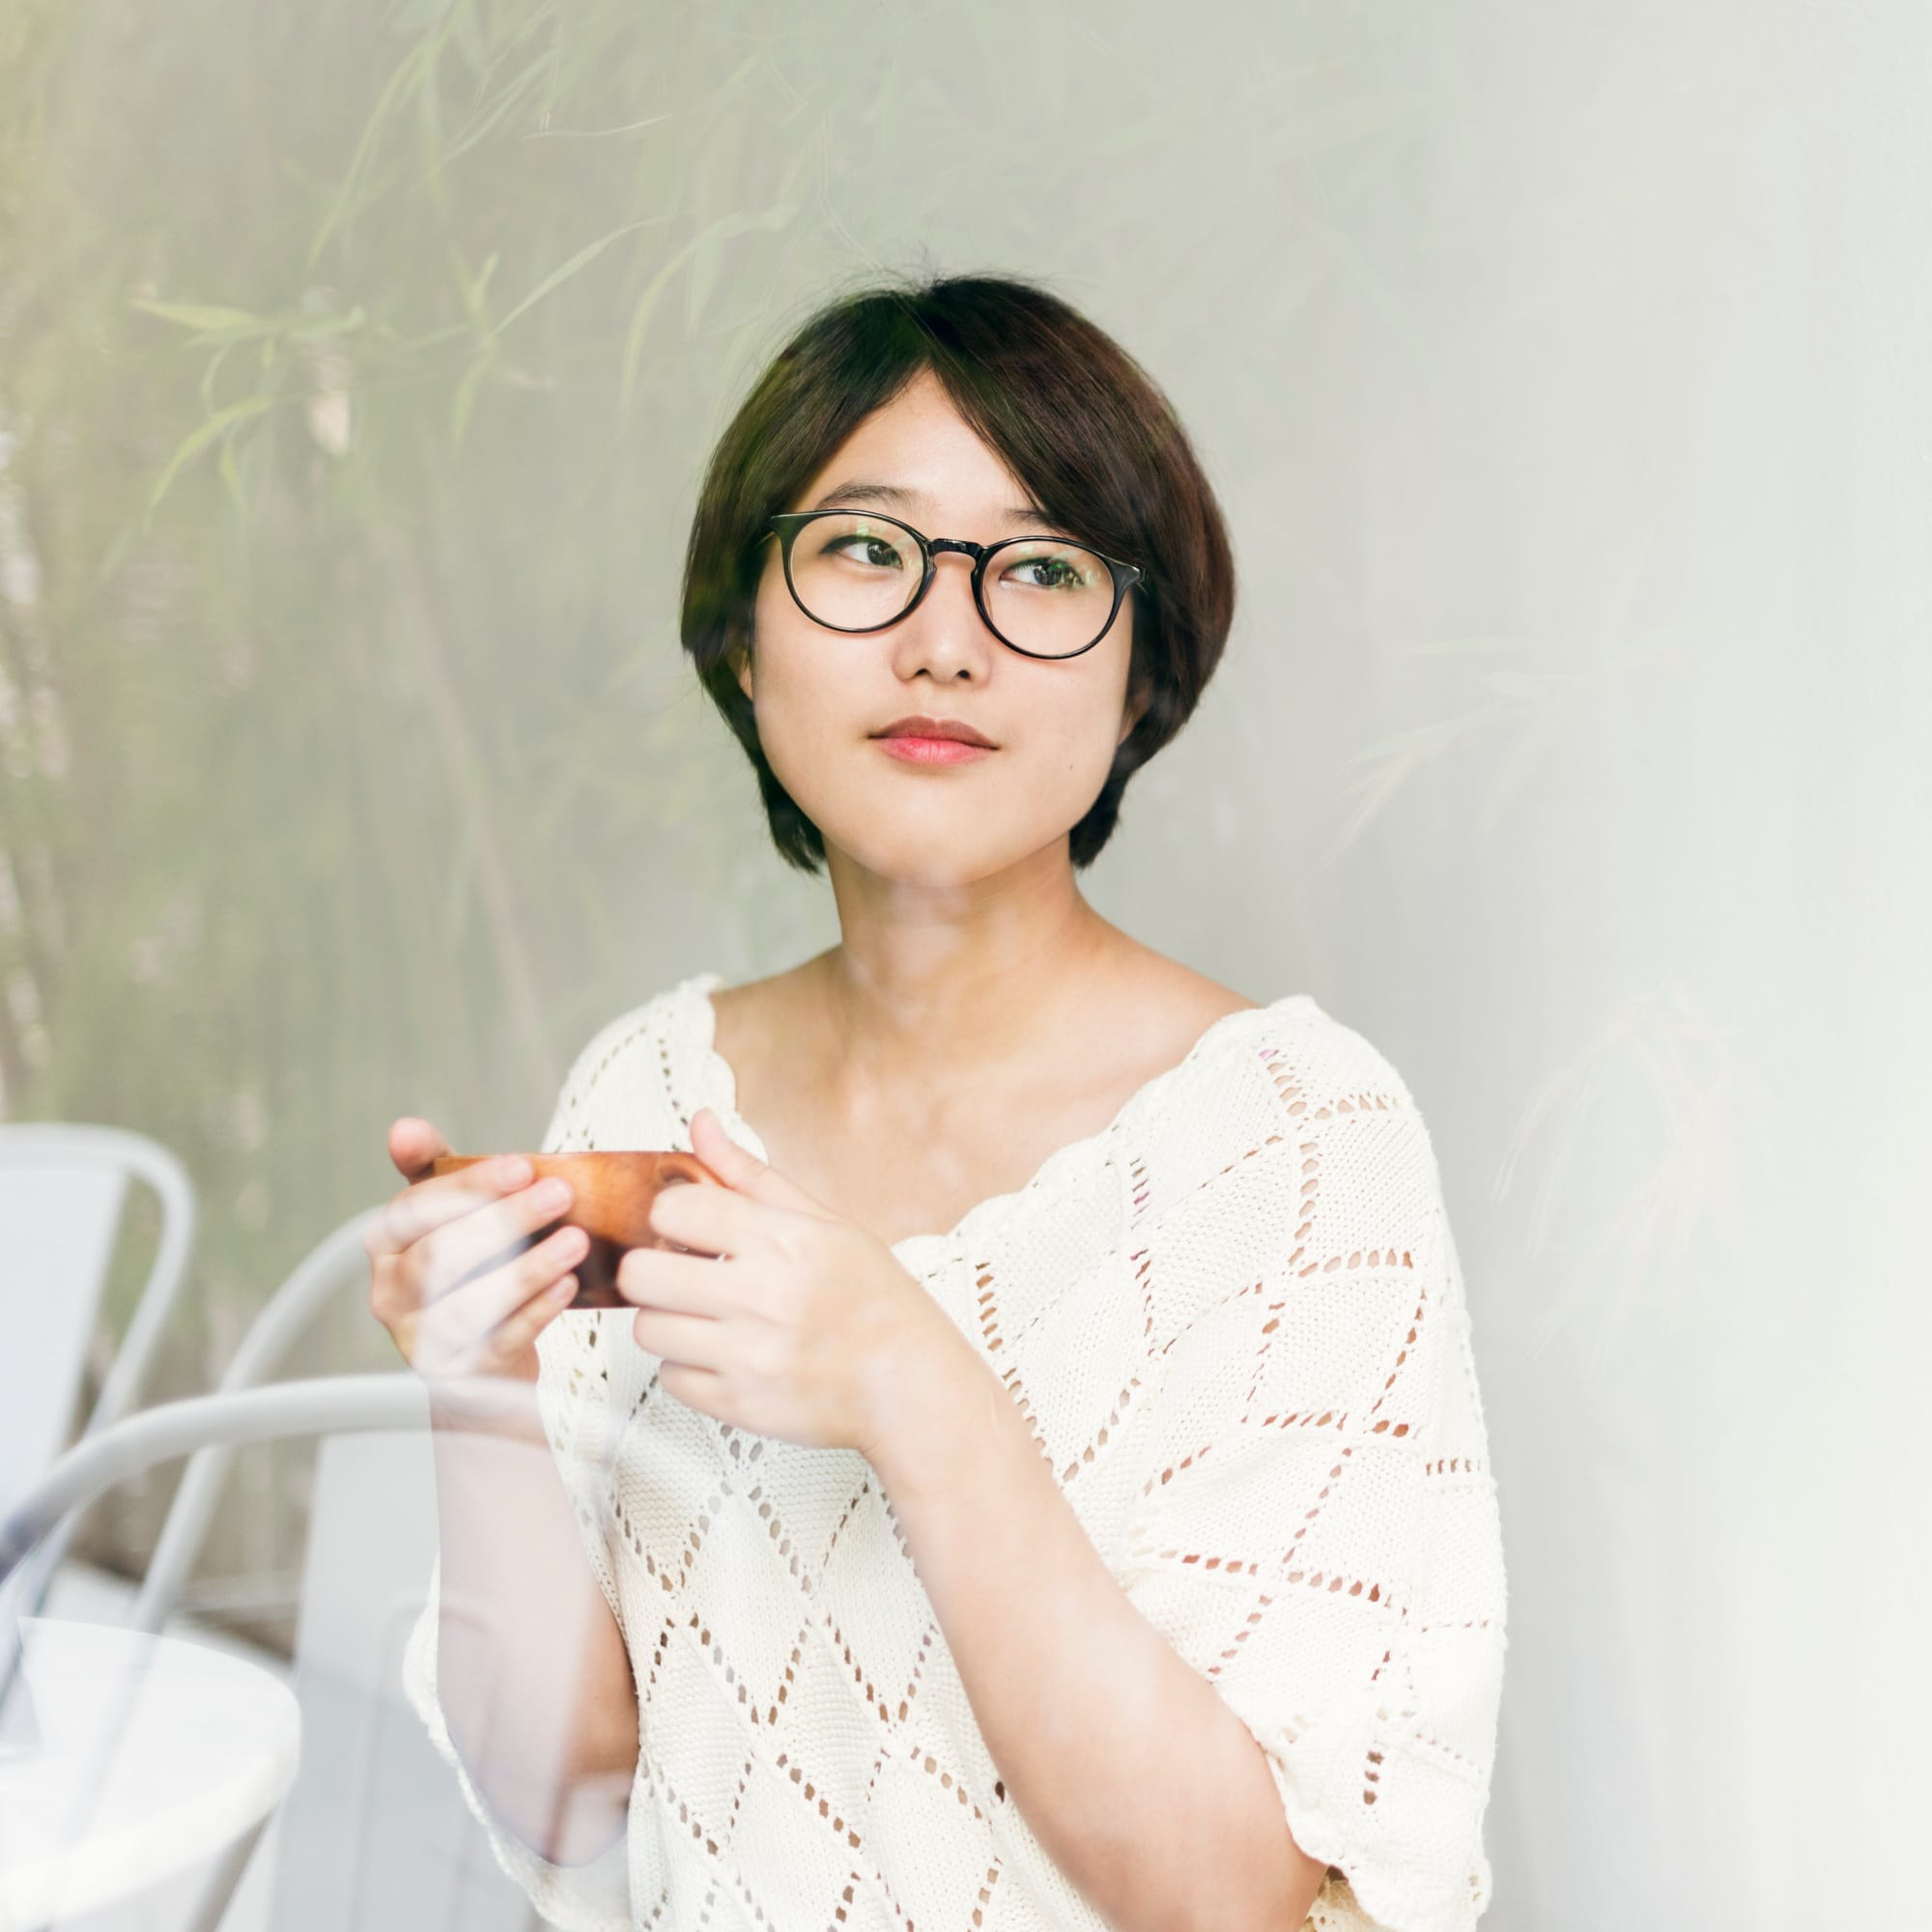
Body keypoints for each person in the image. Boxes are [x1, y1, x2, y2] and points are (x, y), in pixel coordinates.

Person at [367, 271, 1507, 1932]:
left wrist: (909, 1377)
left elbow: (1239, 1896)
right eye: (863, 551)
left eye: (1041, 570)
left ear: (1139, 686)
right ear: (741, 645)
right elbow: (565, 1790)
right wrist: (476, 1380)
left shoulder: (1294, 1146)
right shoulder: (651, 1088)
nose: (944, 639)